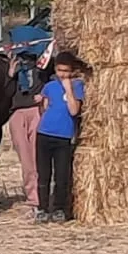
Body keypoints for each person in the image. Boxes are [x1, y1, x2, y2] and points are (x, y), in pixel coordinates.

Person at [35, 52, 86, 222]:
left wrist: (68, 89)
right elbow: (44, 107)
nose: (62, 74)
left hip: (63, 137)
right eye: (59, 70)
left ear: (72, 71)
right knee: (43, 174)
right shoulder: (49, 86)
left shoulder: (77, 86)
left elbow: (74, 110)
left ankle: (58, 208)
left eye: (66, 71)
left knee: (62, 175)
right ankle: (42, 208)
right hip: (44, 133)